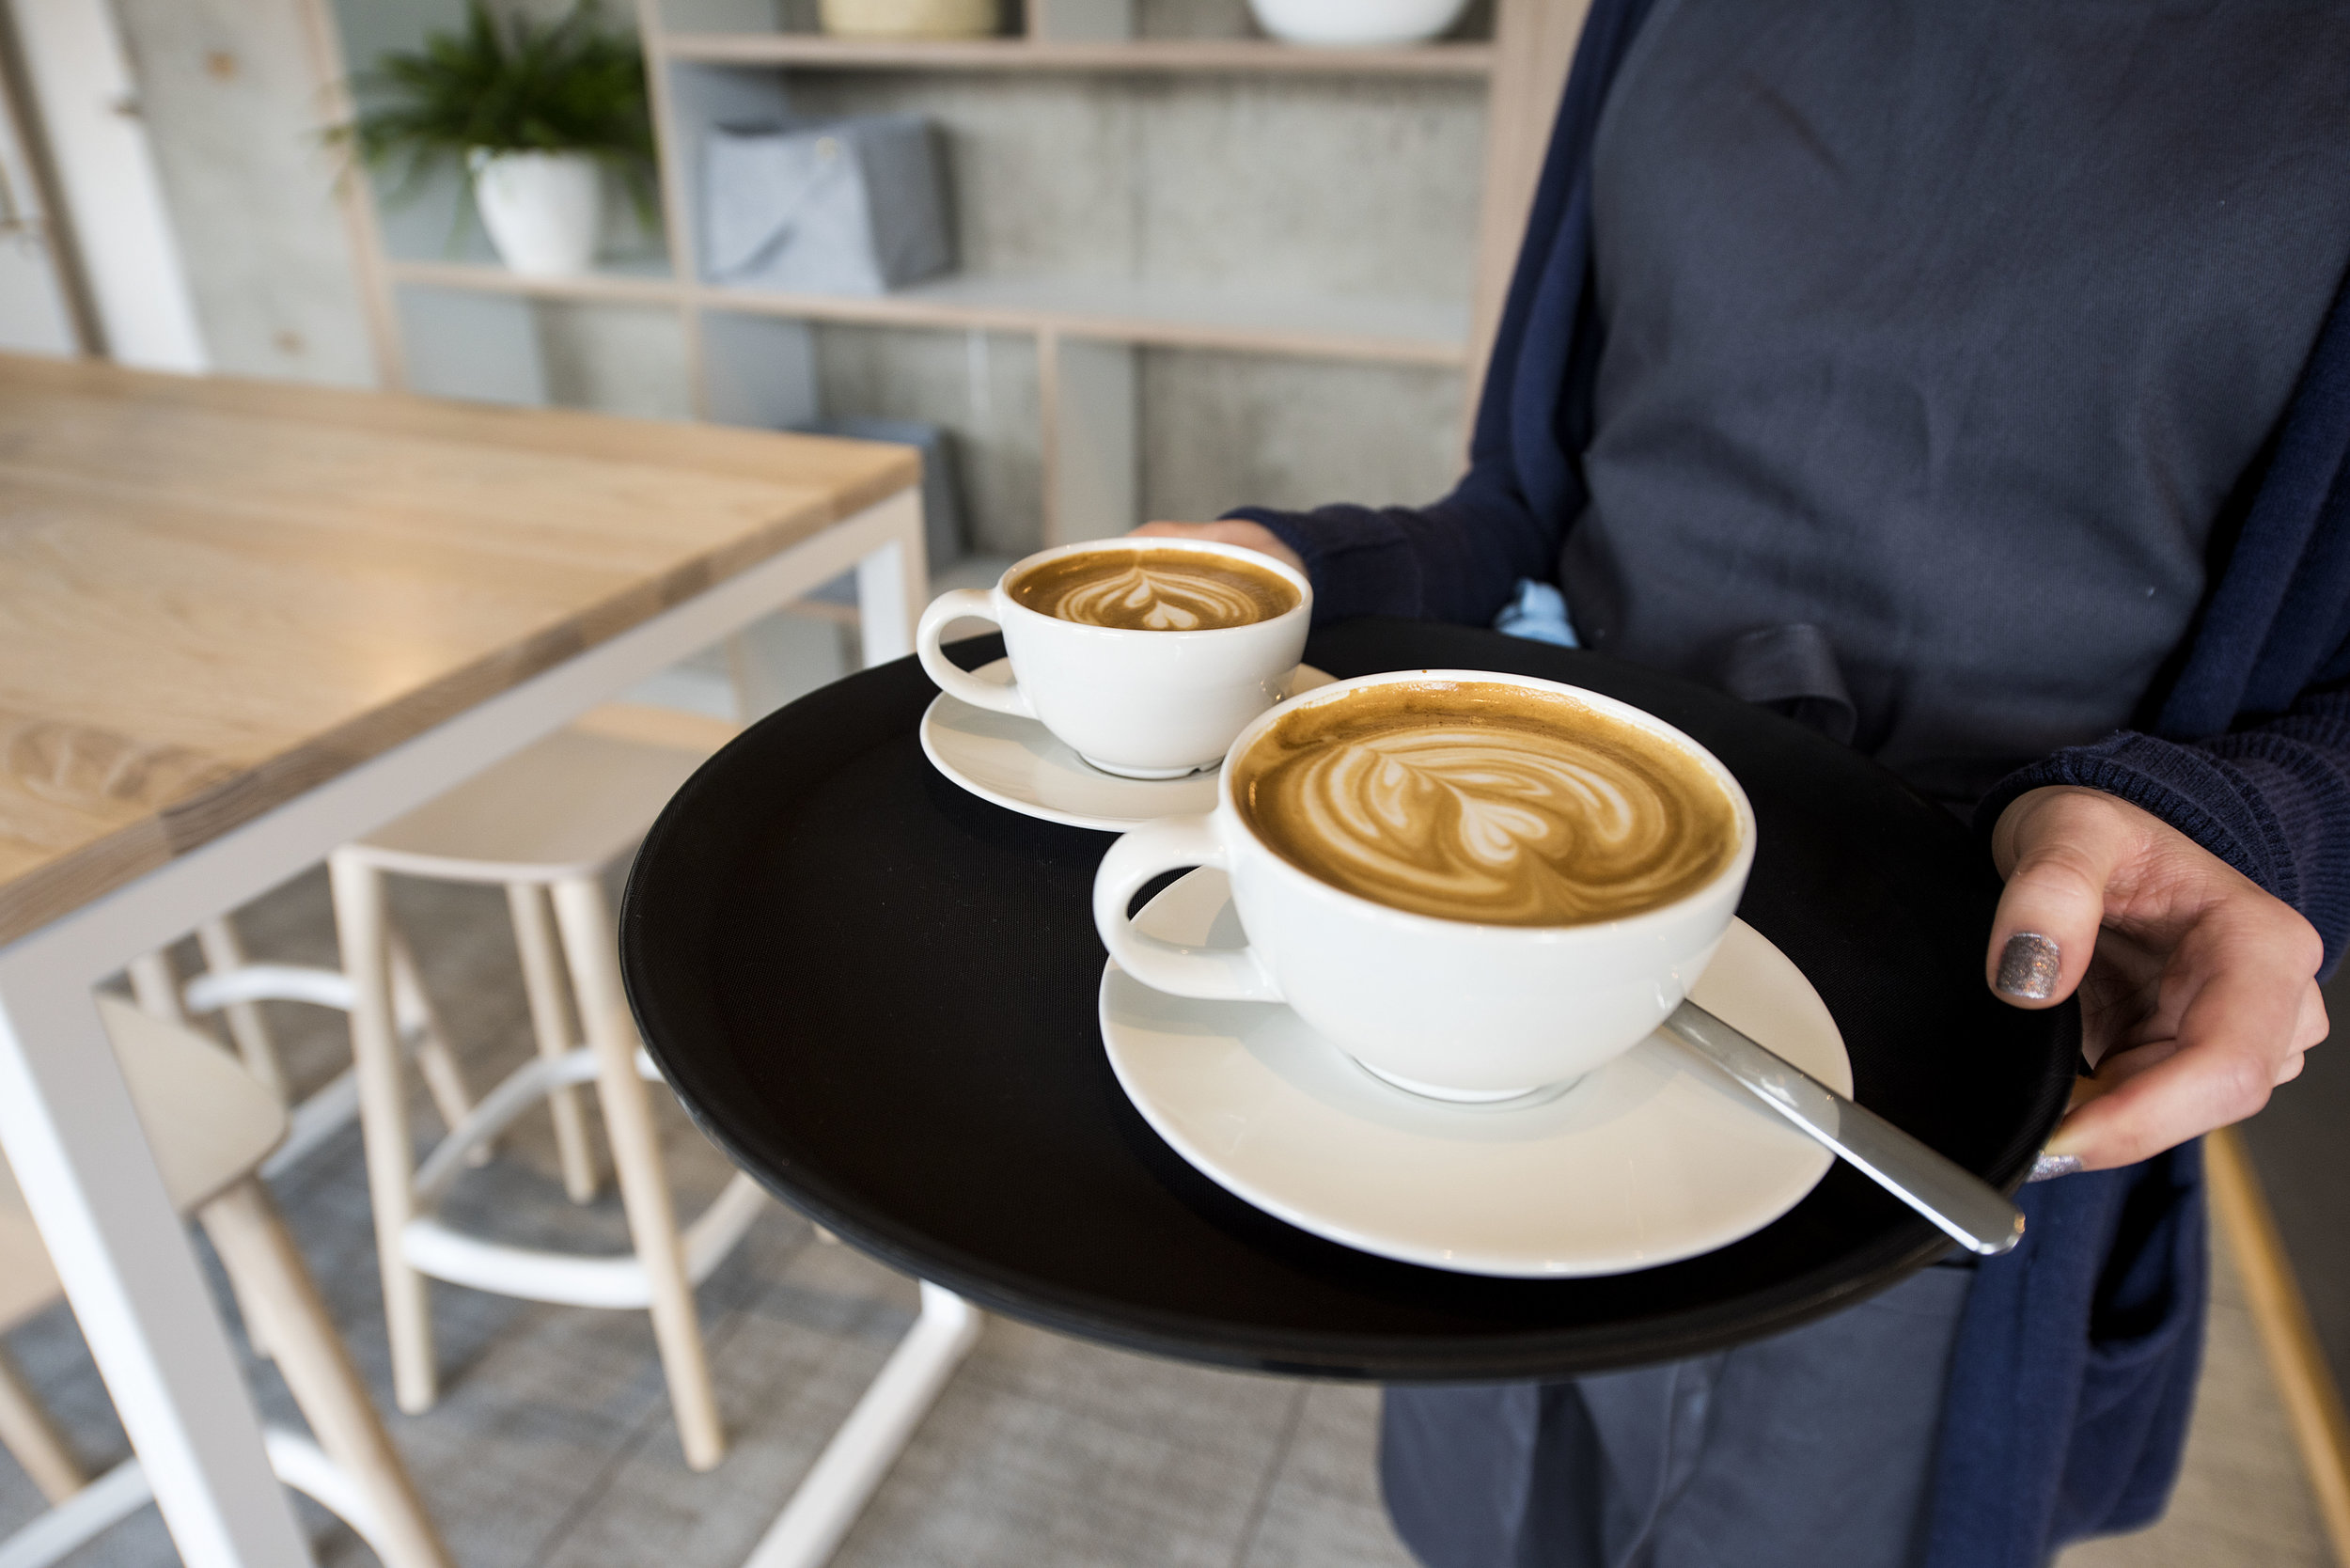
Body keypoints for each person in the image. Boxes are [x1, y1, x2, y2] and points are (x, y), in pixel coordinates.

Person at [1137, 1, 2350, 1563]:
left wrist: (2240, 828)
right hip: (1518, 954)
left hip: (1955, 1029)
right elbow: (1527, 499)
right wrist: (1312, 569)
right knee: (1487, 1498)